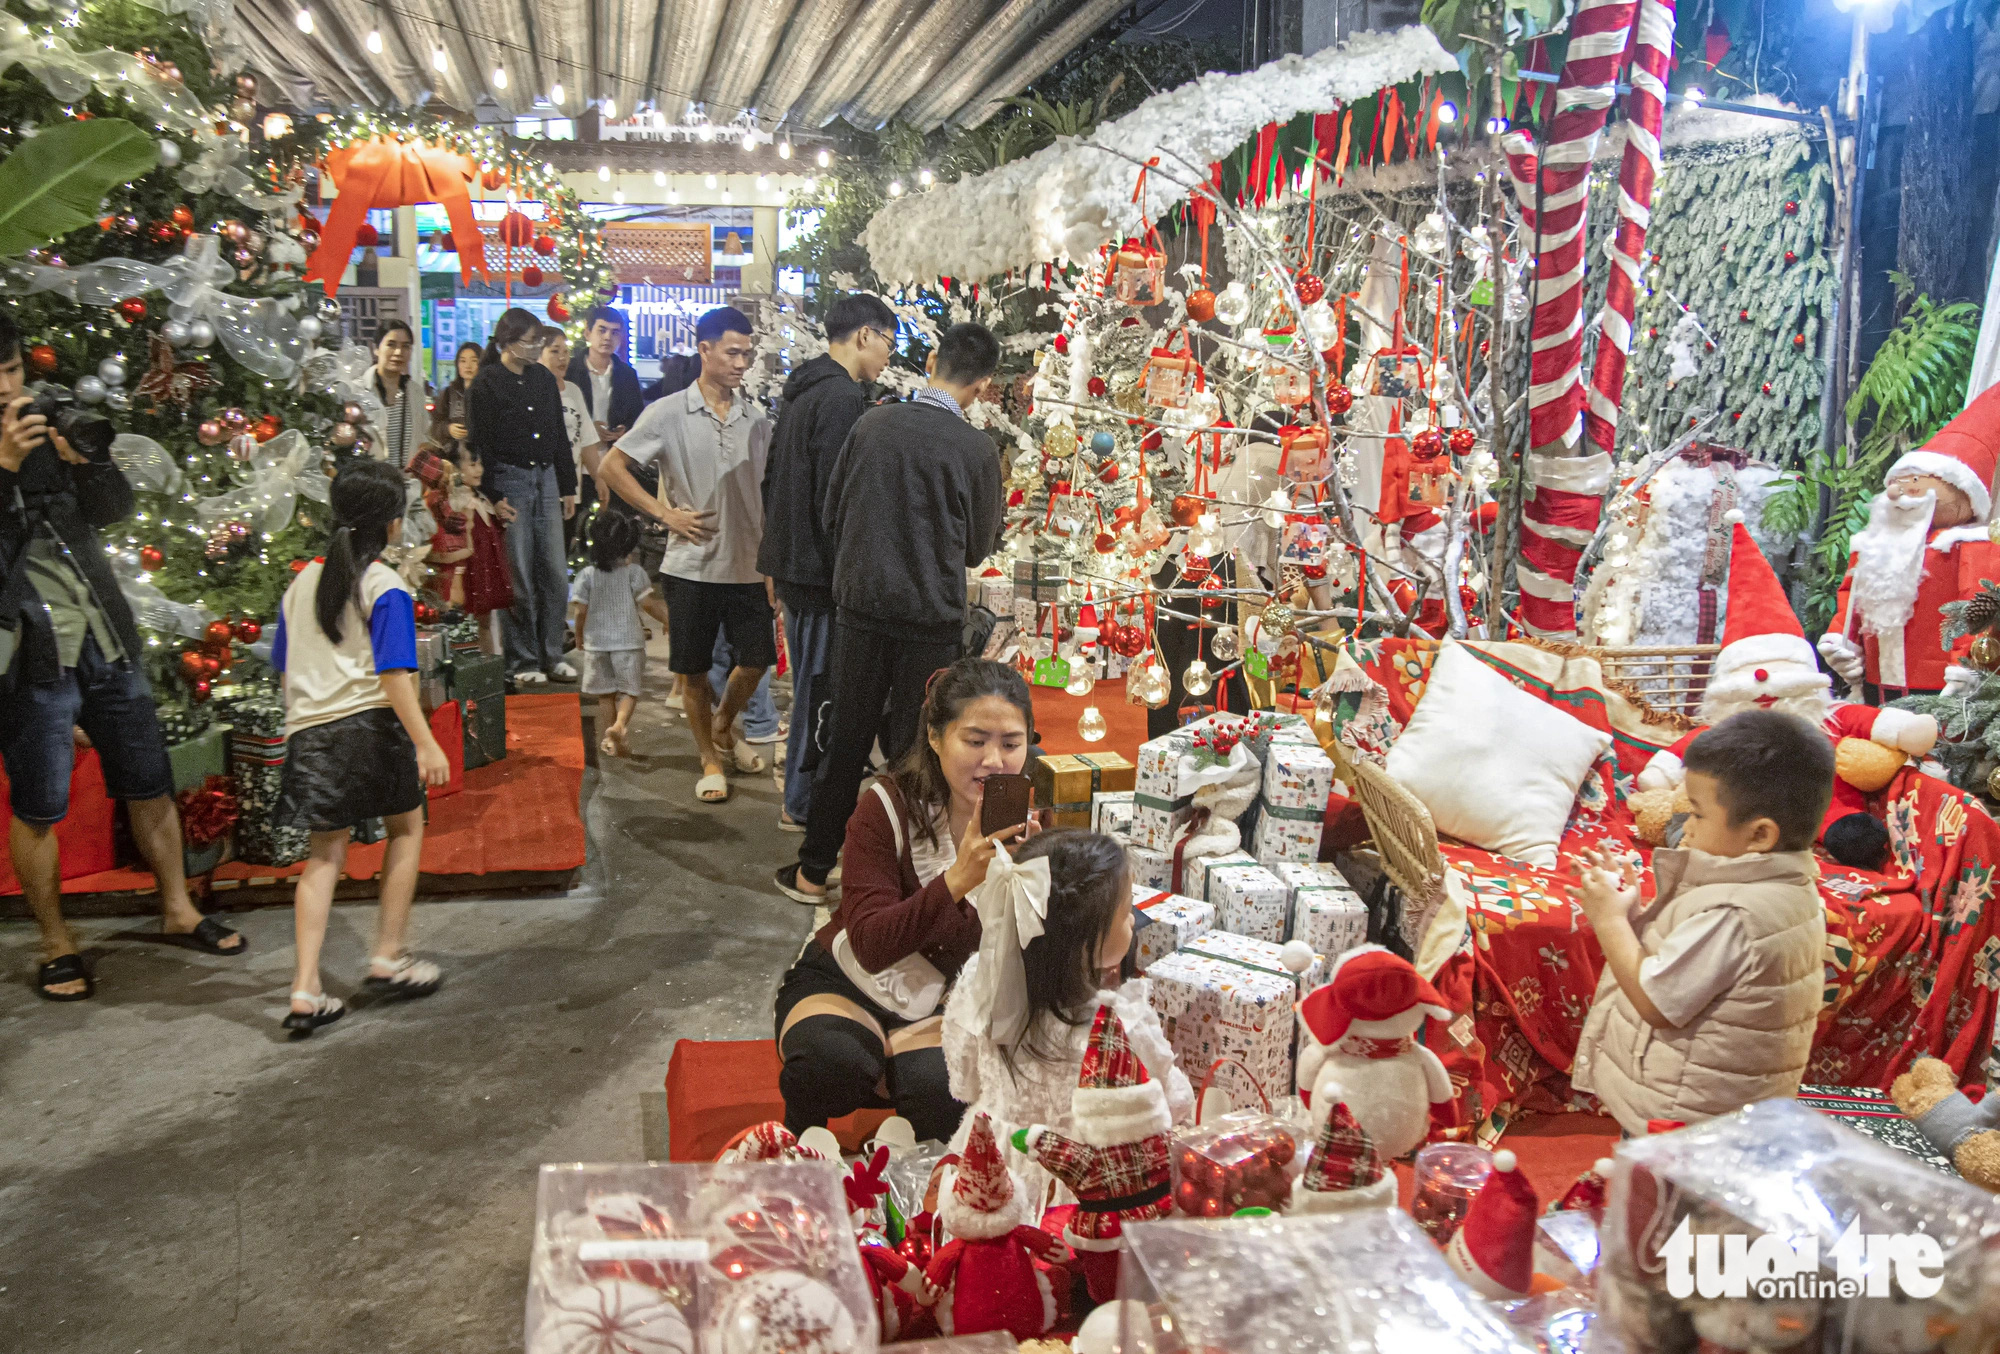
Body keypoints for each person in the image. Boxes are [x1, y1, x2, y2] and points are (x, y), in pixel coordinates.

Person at [0, 314, 244, 999]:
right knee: (39, 802)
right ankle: (55, 941)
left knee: (148, 777)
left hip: (104, 633)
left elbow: (111, 510)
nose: (8, 386)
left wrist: (91, 463)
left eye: (14, 370)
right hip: (32, 653)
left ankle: (177, 909)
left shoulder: (45, 417)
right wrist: (6, 470)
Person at [778, 321, 1005, 902]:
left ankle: (812, 869)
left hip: (859, 609)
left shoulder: (871, 423)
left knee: (845, 737)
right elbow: (979, 546)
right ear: (981, 385)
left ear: (931, 360)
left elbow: (832, 513)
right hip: (929, 621)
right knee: (916, 751)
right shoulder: (977, 449)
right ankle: (910, 882)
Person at [774, 659, 1037, 1144]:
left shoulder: (1027, 825)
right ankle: (795, 1153)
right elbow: (872, 944)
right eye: (975, 741)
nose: (994, 760)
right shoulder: (885, 806)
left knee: (940, 1089)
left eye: (1011, 744)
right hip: (849, 978)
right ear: (935, 738)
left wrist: (1031, 884)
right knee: (832, 1063)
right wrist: (958, 879)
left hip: (945, 1001)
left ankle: (907, 1177)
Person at [1571, 710, 1833, 1135]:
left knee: (1654, 1201)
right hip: (1714, 1113)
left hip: (1683, 1122)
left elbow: (1657, 1003)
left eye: (1697, 813)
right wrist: (1634, 916)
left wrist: (1608, 921)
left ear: (1759, 836)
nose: (1685, 826)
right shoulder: (1780, 885)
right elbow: (1687, 970)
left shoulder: (1735, 915)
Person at [272, 459, 453, 1036]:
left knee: (322, 855)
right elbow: (396, 673)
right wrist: (425, 743)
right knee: (407, 828)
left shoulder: (300, 584)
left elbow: (283, 666)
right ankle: (387, 955)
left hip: (309, 735)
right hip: (367, 729)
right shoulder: (385, 586)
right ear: (394, 524)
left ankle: (305, 988)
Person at [942, 828, 1192, 1220]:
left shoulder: (979, 983)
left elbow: (964, 1080)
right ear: (1083, 942)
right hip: (1087, 1180)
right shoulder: (1119, 1023)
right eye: (1126, 913)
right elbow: (1169, 1104)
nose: (1133, 921)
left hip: (994, 1164)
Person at [597, 306, 772, 805]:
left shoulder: (757, 420)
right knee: (692, 669)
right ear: (705, 350)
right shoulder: (668, 411)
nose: (742, 363)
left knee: (757, 660)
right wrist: (663, 513)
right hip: (691, 565)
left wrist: (771, 564)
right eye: (733, 352)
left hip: (747, 564)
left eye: (748, 353)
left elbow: (766, 493)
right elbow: (613, 465)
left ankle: (722, 724)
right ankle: (710, 758)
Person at [759, 292, 899, 833]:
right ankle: (804, 804)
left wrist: (773, 556)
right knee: (820, 693)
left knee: (810, 689)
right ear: (864, 334)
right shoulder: (841, 397)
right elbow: (836, 498)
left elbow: (774, 478)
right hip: (820, 573)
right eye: (887, 342)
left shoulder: (803, 388)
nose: (888, 355)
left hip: (795, 564)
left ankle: (801, 795)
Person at [468, 307, 577, 686]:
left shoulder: (543, 380)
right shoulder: (485, 385)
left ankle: (553, 653)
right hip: (509, 481)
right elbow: (481, 444)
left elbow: (559, 435)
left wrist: (568, 486)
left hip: (546, 477)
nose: (535, 350)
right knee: (518, 576)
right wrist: (493, 495)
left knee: (554, 573)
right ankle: (522, 659)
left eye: (537, 343)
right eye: (530, 343)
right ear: (509, 342)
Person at [572, 512, 671, 758]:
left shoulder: (586, 575)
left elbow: (580, 612)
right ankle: (620, 725)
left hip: (597, 645)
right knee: (629, 690)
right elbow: (648, 604)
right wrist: (669, 620)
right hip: (628, 642)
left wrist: (579, 635)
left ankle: (611, 739)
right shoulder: (634, 573)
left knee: (605, 694)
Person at [541, 325, 604, 554]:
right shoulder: (533, 392)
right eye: (555, 351)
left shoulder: (573, 391)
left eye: (565, 351)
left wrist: (600, 479)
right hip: (544, 487)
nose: (562, 358)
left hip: (570, 487)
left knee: (564, 550)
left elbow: (586, 440)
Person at [353, 320, 429, 470]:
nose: (398, 352)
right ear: (376, 348)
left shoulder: (415, 392)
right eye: (391, 345)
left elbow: (424, 437)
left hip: (406, 485)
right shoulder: (358, 391)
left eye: (405, 346)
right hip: (369, 482)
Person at [566, 306, 644, 451]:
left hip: (612, 456)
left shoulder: (627, 375)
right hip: (576, 455)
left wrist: (624, 430)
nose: (608, 337)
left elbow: (638, 416)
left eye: (614, 332)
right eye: (602, 330)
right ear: (587, 333)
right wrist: (588, 428)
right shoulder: (569, 371)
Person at [429, 341, 484, 465]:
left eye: (474, 360)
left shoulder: (489, 393)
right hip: (454, 459)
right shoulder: (448, 393)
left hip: (481, 461)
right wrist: (448, 429)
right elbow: (434, 426)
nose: (468, 366)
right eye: (463, 361)